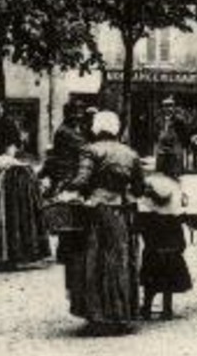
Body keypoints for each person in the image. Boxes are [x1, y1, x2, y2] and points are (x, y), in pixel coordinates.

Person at [60, 110, 143, 335]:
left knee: (94, 261)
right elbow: (139, 188)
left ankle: (98, 317)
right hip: (122, 212)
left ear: (97, 128)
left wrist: (64, 187)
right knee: (121, 261)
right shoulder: (130, 153)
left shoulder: (90, 150)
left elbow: (82, 179)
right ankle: (121, 314)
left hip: (97, 211)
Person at [135, 173, 193, 320]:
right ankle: (167, 309)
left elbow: (140, 225)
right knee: (169, 277)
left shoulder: (149, 184)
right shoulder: (174, 185)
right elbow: (180, 219)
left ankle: (147, 308)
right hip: (170, 245)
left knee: (151, 277)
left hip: (153, 246)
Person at [154, 100, 186, 180]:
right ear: (163, 108)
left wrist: (181, 148)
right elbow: (156, 133)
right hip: (162, 149)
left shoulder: (179, 120)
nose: (169, 109)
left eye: (171, 106)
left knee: (174, 174)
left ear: (174, 108)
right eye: (166, 106)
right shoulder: (159, 120)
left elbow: (183, 135)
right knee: (163, 175)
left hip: (174, 150)